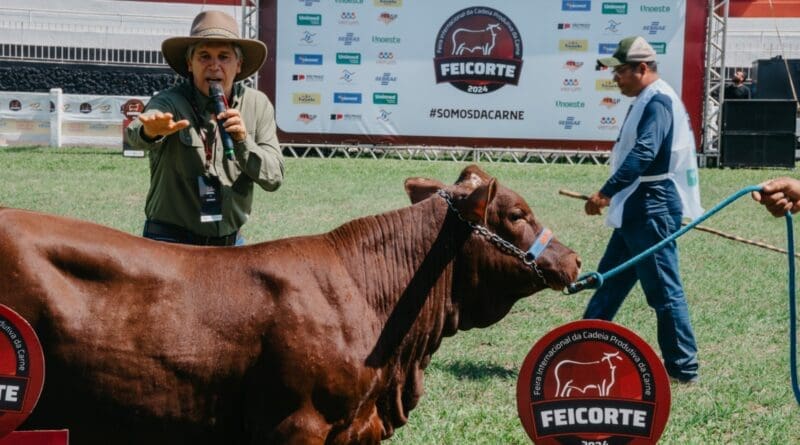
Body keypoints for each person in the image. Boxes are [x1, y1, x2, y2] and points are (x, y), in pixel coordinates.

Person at [583, 36, 704, 384]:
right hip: (639, 206)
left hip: (652, 205)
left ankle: (684, 371)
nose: (615, 78)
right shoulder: (648, 99)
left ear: (642, 68)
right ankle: (581, 349)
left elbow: (644, 153)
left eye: (620, 71)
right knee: (608, 281)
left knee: (664, 293)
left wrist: (605, 193)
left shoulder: (658, 101)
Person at [126, 10, 284, 246]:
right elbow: (137, 131)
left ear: (239, 64)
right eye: (204, 56)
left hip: (229, 244)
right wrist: (151, 131)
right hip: (169, 241)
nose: (214, 66)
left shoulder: (256, 104)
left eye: (224, 57)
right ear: (190, 63)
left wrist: (243, 141)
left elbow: (274, 178)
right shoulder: (170, 101)